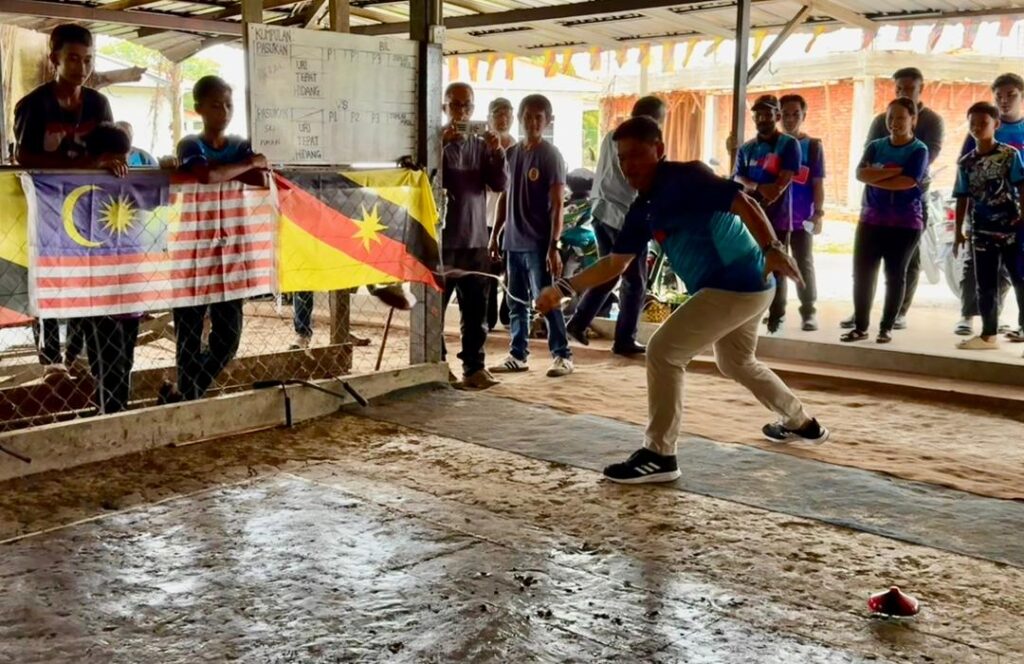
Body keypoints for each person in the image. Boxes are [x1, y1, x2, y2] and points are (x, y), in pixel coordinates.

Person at [534, 116, 828, 484]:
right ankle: (801, 422)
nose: (629, 166)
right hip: (744, 287)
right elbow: (615, 263)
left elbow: (742, 202)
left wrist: (771, 247)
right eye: (622, 158)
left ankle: (660, 453)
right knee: (735, 361)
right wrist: (563, 288)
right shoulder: (642, 207)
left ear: (659, 149)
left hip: (738, 282)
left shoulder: (687, 177)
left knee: (663, 352)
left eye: (637, 155)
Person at [13, 24, 123, 377]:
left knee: (84, 279)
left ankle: (75, 355)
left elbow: (110, 148)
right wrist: (85, 165)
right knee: (48, 279)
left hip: (88, 208)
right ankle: (51, 360)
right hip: (46, 207)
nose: (82, 67)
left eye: (88, 59)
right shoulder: (33, 105)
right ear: (54, 60)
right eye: (73, 59)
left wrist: (114, 161)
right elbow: (24, 157)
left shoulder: (99, 104)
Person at [160, 75, 267, 403]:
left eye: (229, 105)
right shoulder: (190, 145)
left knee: (228, 340)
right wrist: (243, 165)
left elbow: (261, 178)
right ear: (199, 109)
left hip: (232, 249)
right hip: (193, 248)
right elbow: (207, 176)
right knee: (189, 336)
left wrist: (234, 168)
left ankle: (182, 393)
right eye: (216, 105)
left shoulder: (240, 144)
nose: (225, 112)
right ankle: (186, 402)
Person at [843, 67, 944, 331]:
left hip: (913, 202)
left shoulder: (932, 121)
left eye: (909, 88)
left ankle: (898, 313)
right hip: (875, 203)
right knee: (865, 267)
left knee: (905, 264)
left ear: (921, 89)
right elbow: (864, 163)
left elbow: (926, 159)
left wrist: (885, 173)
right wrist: (895, 171)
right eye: (898, 89)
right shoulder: (881, 119)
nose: (903, 93)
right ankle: (860, 314)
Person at [566, 96, 666, 356]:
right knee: (635, 282)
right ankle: (624, 339)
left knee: (608, 272)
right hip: (622, 216)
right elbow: (635, 180)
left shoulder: (612, 136)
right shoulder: (635, 143)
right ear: (651, 120)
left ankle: (578, 321)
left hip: (601, 211)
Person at [489, 94, 573, 378]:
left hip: (539, 244)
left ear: (548, 121)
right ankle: (517, 354)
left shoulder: (551, 155)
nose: (533, 122)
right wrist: (496, 234)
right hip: (513, 242)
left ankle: (562, 355)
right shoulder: (512, 153)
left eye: (539, 117)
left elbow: (558, 204)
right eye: (528, 116)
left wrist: (554, 246)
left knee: (546, 300)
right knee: (516, 302)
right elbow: (504, 196)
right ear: (520, 118)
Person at [440, 82, 508, 389]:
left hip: (476, 237)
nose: (462, 111)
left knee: (476, 309)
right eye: (455, 105)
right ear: (444, 107)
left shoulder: (482, 145)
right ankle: (437, 366)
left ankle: (474, 367)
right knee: (434, 309)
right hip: (441, 240)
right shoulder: (433, 141)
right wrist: (441, 145)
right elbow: (421, 177)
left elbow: (499, 184)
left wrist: (497, 152)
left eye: (467, 105)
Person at [952, 102, 1024, 353]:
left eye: (983, 123)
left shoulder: (1009, 155)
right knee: (985, 285)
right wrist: (958, 231)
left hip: (1012, 228)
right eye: (972, 123)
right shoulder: (966, 163)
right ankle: (988, 335)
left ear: (996, 124)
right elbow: (962, 197)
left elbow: (1021, 185)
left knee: (1020, 279)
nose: (977, 127)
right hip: (981, 231)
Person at [80, 122, 142, 413]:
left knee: (125, 356)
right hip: (98, 286)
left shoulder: (132, 183)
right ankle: (111, 411)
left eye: (125, 158)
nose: (122, 165)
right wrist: (95, 170)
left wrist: (170, 170)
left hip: (128, 283)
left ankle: (115, 409)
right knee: (108, 357)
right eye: (116, 159)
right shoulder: (78, 185)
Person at [733, 95, 801, 334]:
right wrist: (759, 187)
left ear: (777, 116)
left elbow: (784, 179)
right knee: (751, 263)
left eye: (767, 114)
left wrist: (767, 194)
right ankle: (754, 311)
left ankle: (776, 316)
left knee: (778, 264)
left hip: (779, 217)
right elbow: (738, 176)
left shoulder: (789, 144)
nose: (762, 119)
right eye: (758, 115)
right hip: (750, 214)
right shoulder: (746, 148)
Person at [780, 94, 825, 331]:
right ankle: (776, 311)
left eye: (795, 114)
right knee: (775, 264)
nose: (790, 119)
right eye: (785, 114)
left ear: (804, 116)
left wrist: (818, 214)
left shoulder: (813, 147)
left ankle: (808, 312)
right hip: (774, 218)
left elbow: (818, 184)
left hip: (801, 219)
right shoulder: (771, 146)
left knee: (803, 263)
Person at [486, 97, 516, 331]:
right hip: (485, 217)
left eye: (507, 114)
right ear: (489, 118)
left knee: (511, 270)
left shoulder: (517, 148)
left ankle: (508, 316)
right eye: (498, 114)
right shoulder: (481, 145)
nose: (503, 119)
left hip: (511, 221)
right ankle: (487, 318)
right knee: (487, 271)